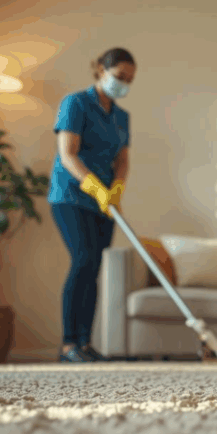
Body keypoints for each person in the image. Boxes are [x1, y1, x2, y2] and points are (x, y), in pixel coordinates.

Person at [49, 47, 135, 362]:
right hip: (71, 195)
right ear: (100, 69)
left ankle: (85, 344)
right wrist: (94, 187)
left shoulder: (122, 117)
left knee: (94, 268)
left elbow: (122, 160)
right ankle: (69, 345)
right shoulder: (76, 103)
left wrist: (116, 189)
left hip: (104, 203)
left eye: (129, 80)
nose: (123, 84)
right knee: (83, 260)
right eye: (119, 76)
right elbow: (67, 153)